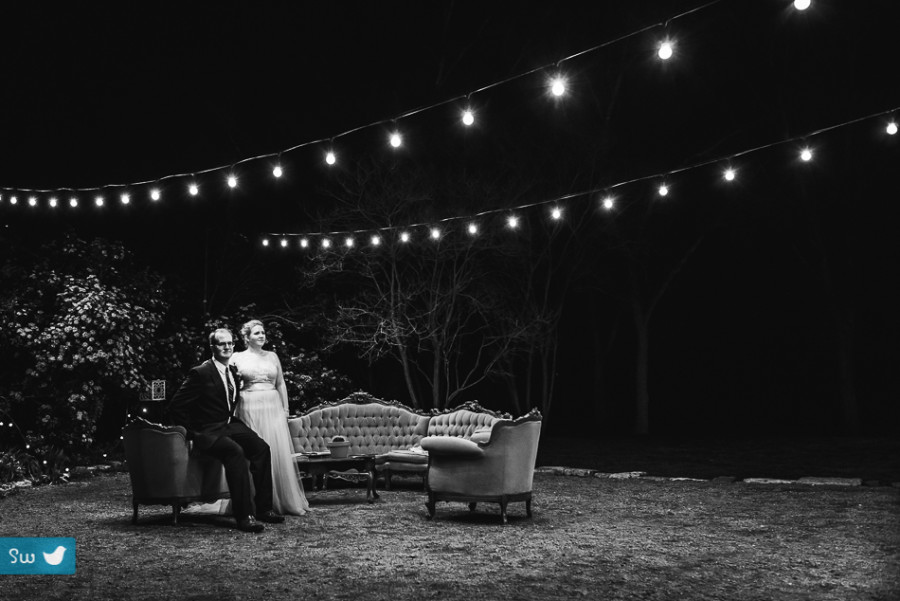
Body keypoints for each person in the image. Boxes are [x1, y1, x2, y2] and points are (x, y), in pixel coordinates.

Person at [167, 327, 286, 533]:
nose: (227, 347)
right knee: (235, 453)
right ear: (212, 347)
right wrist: (193, 433)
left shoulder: (231, 370)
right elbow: (176, 406)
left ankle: (264, 509)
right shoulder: (201, 372)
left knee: (261, 448)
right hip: (209, 430)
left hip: (229, 425)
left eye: (230, 343)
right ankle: (244, 517)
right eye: (222, 343)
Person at [231, 319, 310, 515]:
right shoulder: (237, 357)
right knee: (255, 451)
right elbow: (231, 386)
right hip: (249, 405)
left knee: (276, 451)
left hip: (272, 405)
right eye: (257, 333)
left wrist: (285, 408)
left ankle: (281, 500)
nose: (262, 335)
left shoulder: (272, 356)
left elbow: (281, 383)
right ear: (247, 337)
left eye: (263, 332)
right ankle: (251, 502)